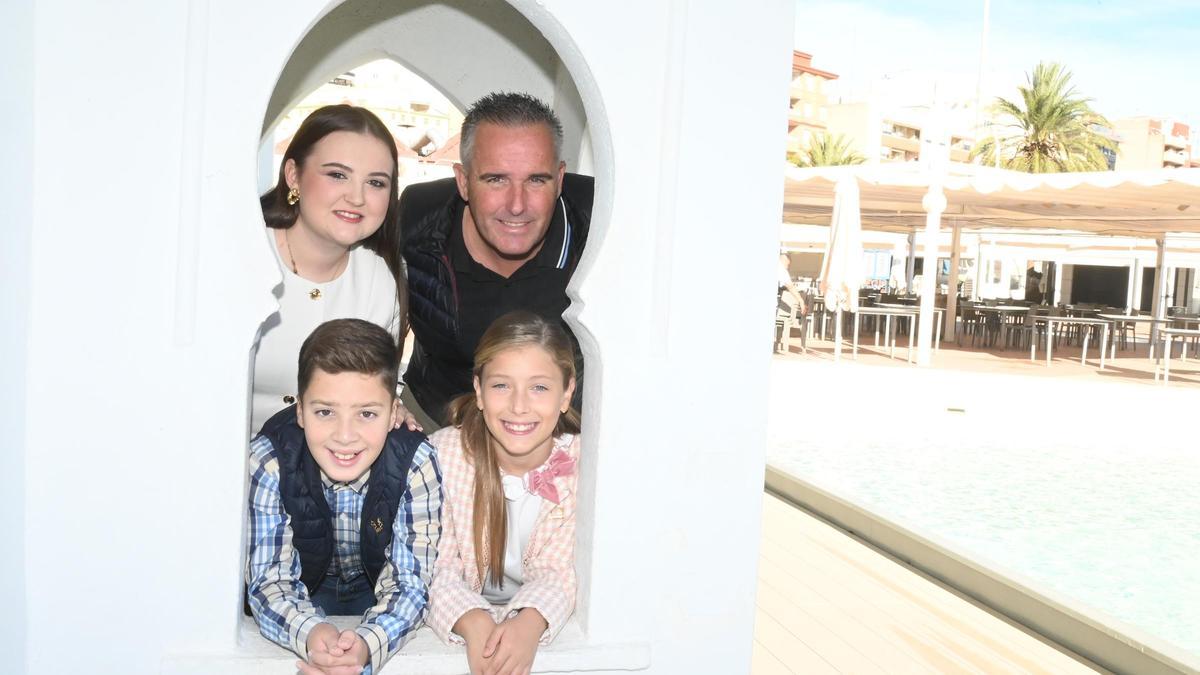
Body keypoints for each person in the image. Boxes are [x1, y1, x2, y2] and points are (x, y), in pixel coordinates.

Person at [374, 92, 593, 429]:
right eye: (496, 179)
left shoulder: (599, 223)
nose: (517, 205)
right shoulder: (418, 218)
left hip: (563, 434)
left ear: (560, 179)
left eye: (537, 179)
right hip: (437, 420)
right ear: (463, 181)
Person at [246, 319, 442, 675]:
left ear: (394, 411)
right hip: (305, 589)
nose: (345, 435)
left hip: (377, 590)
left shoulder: (416, 460)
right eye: (325, 412)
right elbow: (270, 581)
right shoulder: (269, 458)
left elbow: (410, 583)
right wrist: (313, 635)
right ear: (301, 411)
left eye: (367, 413)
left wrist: (365, 645)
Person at [426, 311, 581, 675]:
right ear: (478, 390)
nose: (519, 406)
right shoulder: (442, 456)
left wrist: (530, 622)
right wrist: (471, 619)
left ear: (567, 392)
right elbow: (437, 564)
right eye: (501, 386)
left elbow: (560, 570)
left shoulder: (583, 464)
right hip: (469, 613)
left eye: (539, 387)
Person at [253, 104, 415, 434]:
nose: (357, 197)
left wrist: (392, 409)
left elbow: (380, 385)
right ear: (293, 175)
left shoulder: (381, 280)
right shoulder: (244, 258)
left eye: (376, 182)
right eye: (338, 175)